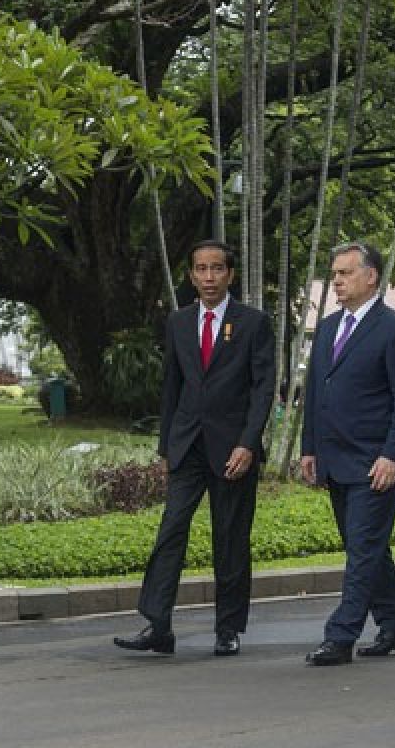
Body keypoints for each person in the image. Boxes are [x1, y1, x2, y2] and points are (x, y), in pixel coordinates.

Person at [114, 240, 275, 657]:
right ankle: (157, 625)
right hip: (187, 446)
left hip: (233, 451)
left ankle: (228, 629)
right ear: (190, 276)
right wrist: (166, 444)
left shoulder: (253, 323)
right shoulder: (179, 322)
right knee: (170, 532)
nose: (208, 278)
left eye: (216, 269)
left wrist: (248, 444)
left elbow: (263, 391)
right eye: (201, 270)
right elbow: (173, 385)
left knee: (230, 538)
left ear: (230, 274)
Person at [299, 241, 395, 666]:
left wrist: (393, 455)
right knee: (367, 547)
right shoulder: (325, 329)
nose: (336, 281)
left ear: (371, 276)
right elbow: (316, 393)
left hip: (376, 462)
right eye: (335, 274)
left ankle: (340, 636)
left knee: (362, 549)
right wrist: (309, 448)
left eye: (345, 273)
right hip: (335, 459)